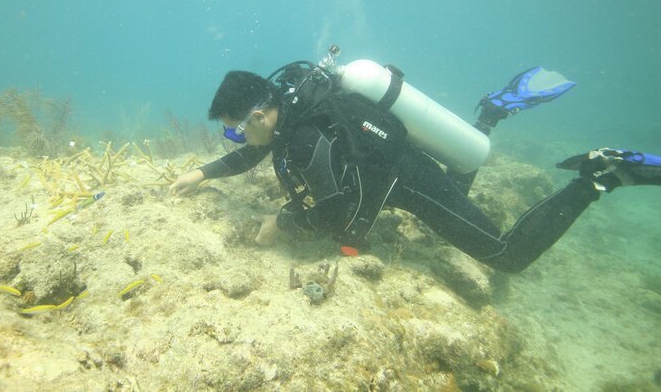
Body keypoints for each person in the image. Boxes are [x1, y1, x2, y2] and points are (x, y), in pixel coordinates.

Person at [169, 61, 661, 273]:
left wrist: (286, 221)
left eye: (236, 128)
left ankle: (600, 175)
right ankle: (489, 116)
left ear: (259, 114)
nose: (237, 138)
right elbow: (256, 149)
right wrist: (204, 172)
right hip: (398, 163)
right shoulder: (296, 104)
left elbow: (339, 211)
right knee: (457, 178)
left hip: (404, 179)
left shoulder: (301, 134)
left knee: (505, 256)